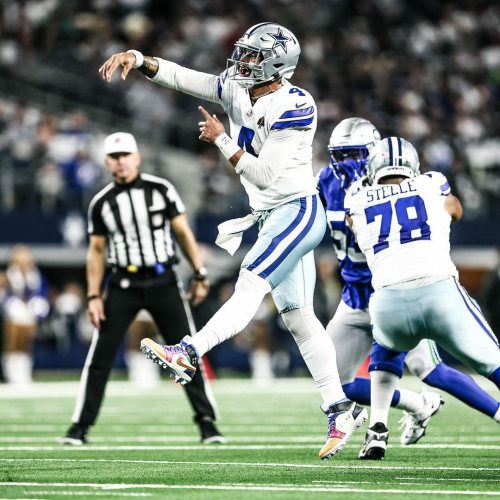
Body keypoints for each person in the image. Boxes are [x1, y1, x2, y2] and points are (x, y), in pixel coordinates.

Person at [99, 22, 367, 460]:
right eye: (243, 52)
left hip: (297, 211)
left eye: (253, 55)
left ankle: (188, 351)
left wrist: (221, 139)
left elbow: (264, 174)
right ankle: (339, 407)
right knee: (298, 319)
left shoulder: (296, 105)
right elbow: (192, 80)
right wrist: (141, 59)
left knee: (249, 283)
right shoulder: (241, 87)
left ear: (277, 64)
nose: (242, 61)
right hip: (272, 215)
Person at [318, 118, 500, 459]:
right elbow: (453, 209)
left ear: (373, 156)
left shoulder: (357, 197)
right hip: (371, 293)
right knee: (329, 381)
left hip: (385, 295)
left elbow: (359, 228)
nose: (347, 164)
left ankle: (379, 428)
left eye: (355, 155)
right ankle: (406, 410)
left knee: (423, 367)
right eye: (340, 156)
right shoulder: (427, 183)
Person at [60, 132, 224, 445]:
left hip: (164, 280)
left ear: (136, 157)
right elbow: (95, 252)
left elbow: (183, 232)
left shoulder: (161, 190)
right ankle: (80, 426)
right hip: (123, 283)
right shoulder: (102, 202)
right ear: (107, 161)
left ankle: (207, 422)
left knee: (187, 351)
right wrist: (94, 295)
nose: (120, 162)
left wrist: (200, 273)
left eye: (125, 155)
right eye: (114, 157)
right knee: (101, 355)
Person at [1, 245, 50, 385]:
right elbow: (6, 293)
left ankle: (24, 372)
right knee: (13, 341)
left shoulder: (35, 275)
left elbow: (42, 292)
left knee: (26, 342)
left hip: (29, 310)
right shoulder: (9, 274)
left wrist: (37, 305)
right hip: (13, 308)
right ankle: (10, 372)